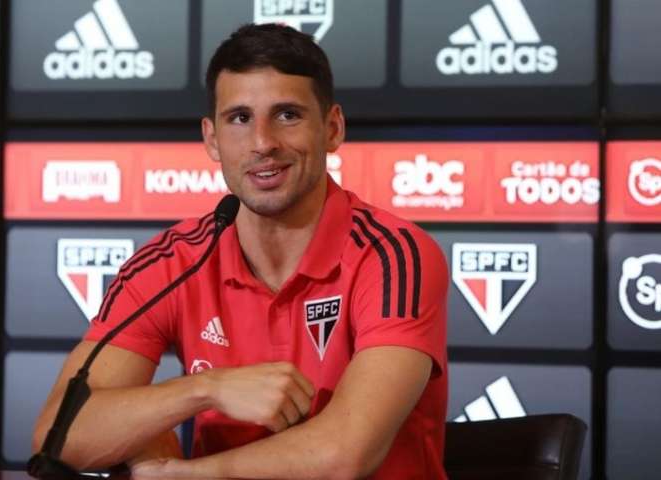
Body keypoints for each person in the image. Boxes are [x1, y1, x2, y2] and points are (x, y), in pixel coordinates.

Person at [33, 23, 448, 479]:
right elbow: (57, 435)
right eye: (240, 118)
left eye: (287, 115)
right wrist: (205, 389)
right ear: (211, 139)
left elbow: (344, 456)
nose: (263, 143)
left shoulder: (394, 255)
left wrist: (186, 475)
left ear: (332, 129)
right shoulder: (172, 260)